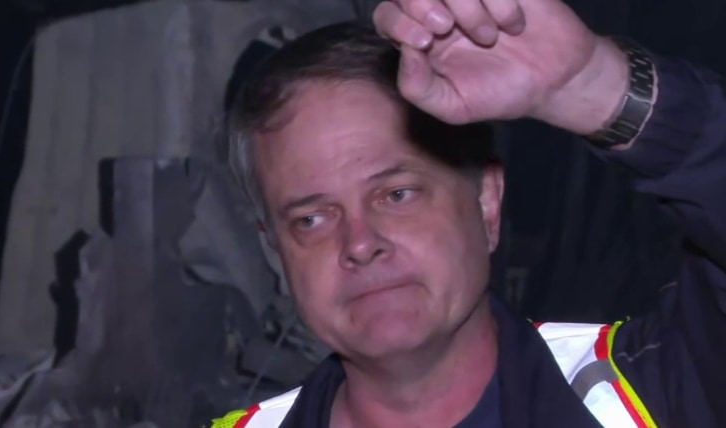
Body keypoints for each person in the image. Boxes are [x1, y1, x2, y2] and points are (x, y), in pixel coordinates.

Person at [210, 0, 726, 426]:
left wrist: (594, 86)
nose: (360, 243)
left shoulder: (654, 393)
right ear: (275, 252)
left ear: (487, 202)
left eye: (397, 194)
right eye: (312, 219)